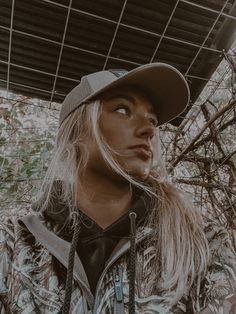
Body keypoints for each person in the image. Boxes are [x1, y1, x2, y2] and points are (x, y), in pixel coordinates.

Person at [0, 63, 235, 314]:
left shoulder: (202, 242)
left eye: (153, 120)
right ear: (75, 131)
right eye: (123, 109)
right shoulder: (13, 245)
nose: (148, 130)